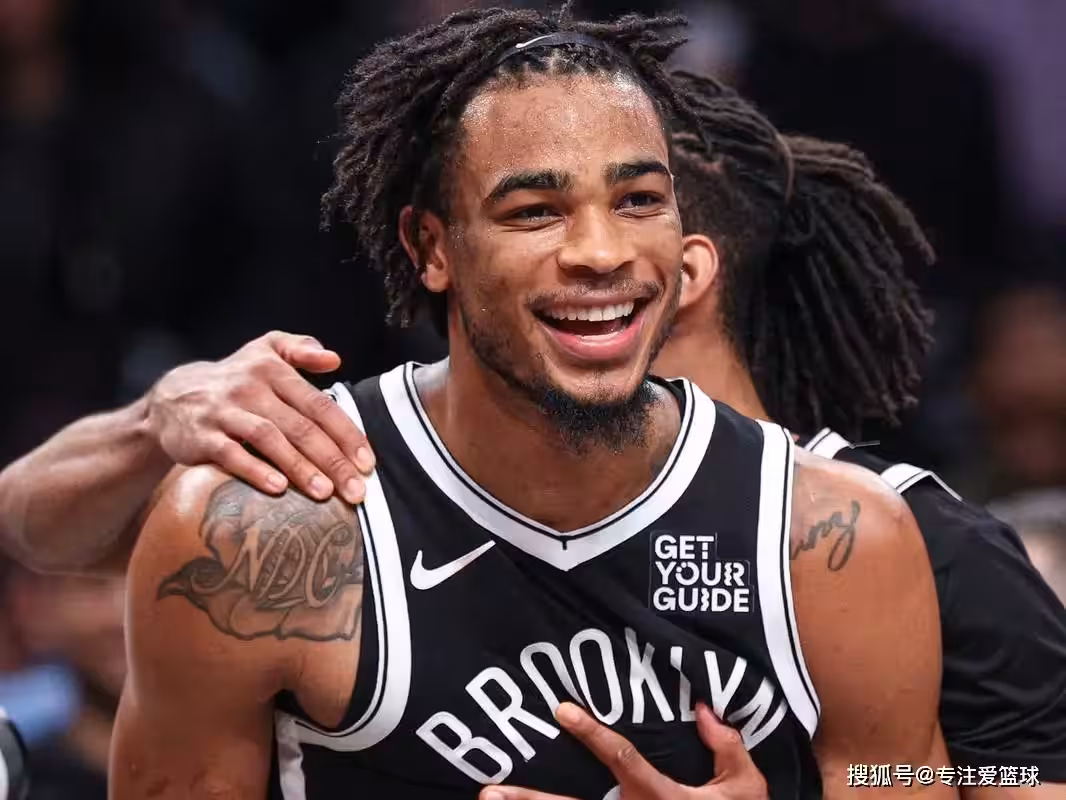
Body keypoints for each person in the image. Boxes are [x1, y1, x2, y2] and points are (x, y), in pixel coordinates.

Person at [108, 7, 948, 800]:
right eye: (536, 211)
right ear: (431, 247)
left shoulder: (841, 539)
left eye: (639, 201)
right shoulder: (253, 533)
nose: (601, 252)